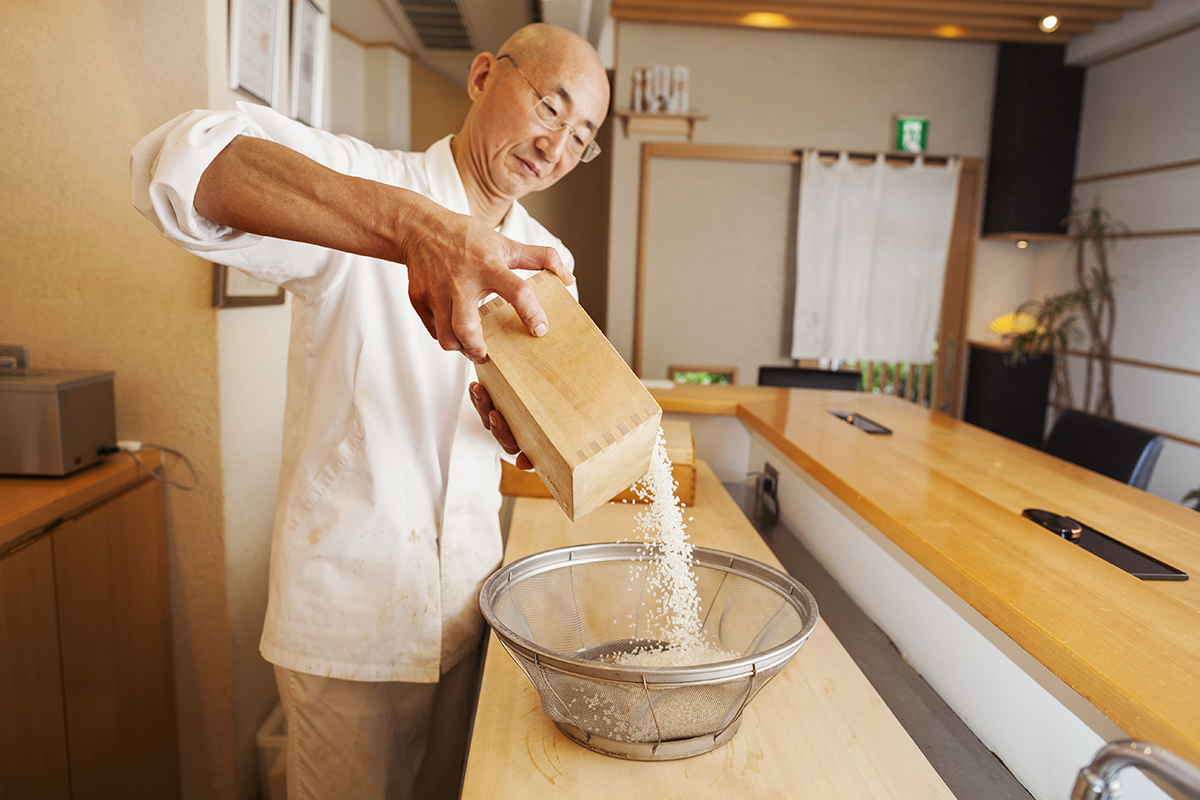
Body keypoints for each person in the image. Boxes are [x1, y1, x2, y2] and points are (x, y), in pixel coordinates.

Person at [130, 22, 609, 799]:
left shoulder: (544, 264)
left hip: (466, 610)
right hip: (348, 620)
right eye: (550, 107)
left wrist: (531, 434)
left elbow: (526, 443)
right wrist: (414, 226)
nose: (556, 145)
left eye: (580, 136)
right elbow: (179, 165)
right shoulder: (366, 181)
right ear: (484, 75)